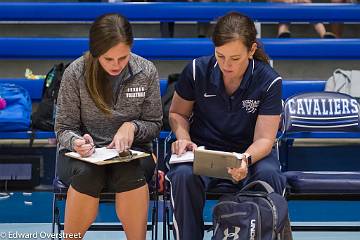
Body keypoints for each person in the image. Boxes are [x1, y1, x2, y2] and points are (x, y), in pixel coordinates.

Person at [166, 12, 289, 239]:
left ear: (251, 50)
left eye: (235, 58)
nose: (226, 64)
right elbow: (177, 113)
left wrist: (245, 159)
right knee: (182, 176)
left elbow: (264, 139)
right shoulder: (196, 70)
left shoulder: (269, 80)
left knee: (271, 175)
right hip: (204, 153)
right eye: (220, 56)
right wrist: (183, 136)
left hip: (251, 155)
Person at [55, 13, 162, 240]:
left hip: (133, 154)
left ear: (131, 49)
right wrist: (76, 142)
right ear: (95, 52)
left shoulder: (146, 71)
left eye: (122, 58)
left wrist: (132, 127)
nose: (116, 65)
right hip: (81, 157)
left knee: (130, 172)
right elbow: (63, 127)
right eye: (108, 59)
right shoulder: (75, 73)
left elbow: (154, 124)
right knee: (88, 174)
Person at [271, 0, 336, 38]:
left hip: (300, 7)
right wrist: (286, 1)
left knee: (311, 9)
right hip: (283, 8)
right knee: (285, 11)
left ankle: (324, 35)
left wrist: (302, 1)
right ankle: (282, 33)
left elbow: (308, 1)